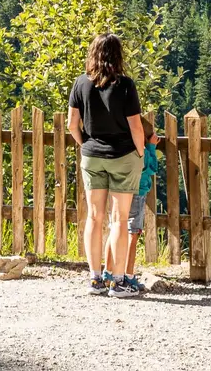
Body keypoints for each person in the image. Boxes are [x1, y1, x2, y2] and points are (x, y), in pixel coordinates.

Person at [65, 32, 146, 298]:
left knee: (94, 216)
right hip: (122, 155)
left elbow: (71, 124)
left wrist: (86, 144)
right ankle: (118, 282)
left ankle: (95, 278)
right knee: (119, 218)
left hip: (92, 155)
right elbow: (136, 126)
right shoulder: (125, 85)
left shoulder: (80, 83)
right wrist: (140, 153)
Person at [122, 113, 161, 292]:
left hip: (122, 191)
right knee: (133, 232)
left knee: (118, 228)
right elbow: (152, 168)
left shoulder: (124, 149)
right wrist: (151, 147)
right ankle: (129, 274)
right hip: (138, 193)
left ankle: (110, 272)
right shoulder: (142, 151)